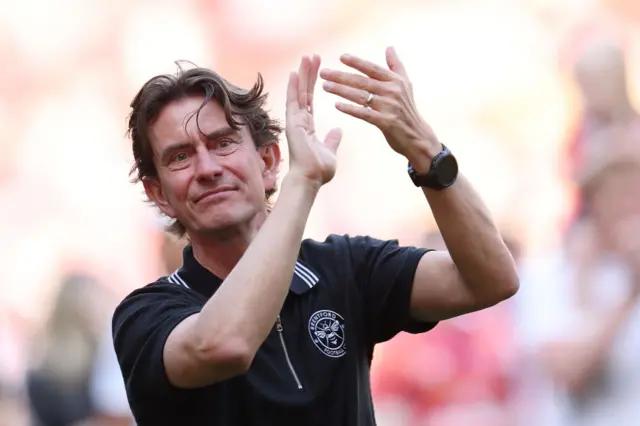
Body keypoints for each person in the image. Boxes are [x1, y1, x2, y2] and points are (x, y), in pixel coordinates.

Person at [112, 47, 519, 425]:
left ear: (268, 161)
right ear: (159, 195)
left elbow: (491, 280)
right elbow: (225, 344)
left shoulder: (345, 267)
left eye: (223, 143)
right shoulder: (146, 315)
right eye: (180, 156)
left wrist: (427, 152)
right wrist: (301, 182)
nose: (207, 168)